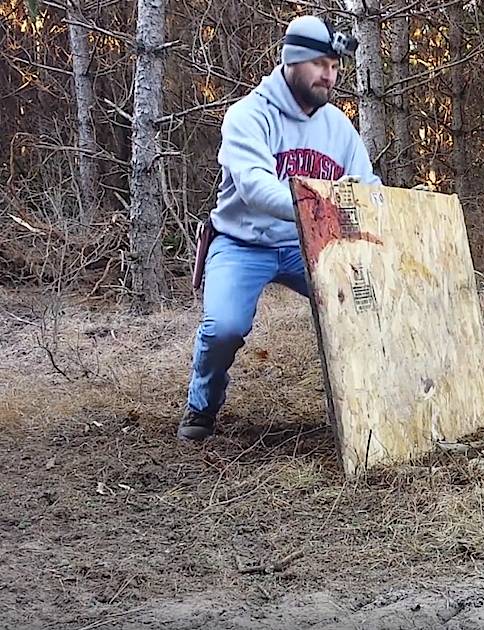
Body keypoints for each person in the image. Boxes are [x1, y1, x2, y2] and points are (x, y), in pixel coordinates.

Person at [178, 15, 382, 441]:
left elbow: (366, 185)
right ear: (291, 63)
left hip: (309, 243)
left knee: (370, 307)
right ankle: (202, 407)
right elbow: (255, 189)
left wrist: (392, 205)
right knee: (224, 330)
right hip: (242, 243)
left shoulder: (338, 127)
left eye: (335, 66)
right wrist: (320, 205)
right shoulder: (247, 117)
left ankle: (369, 410)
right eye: (320, 65)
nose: (330, 75)